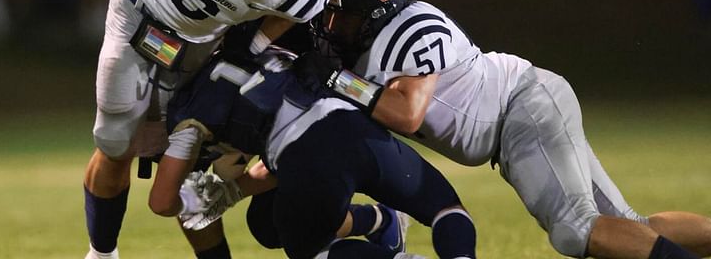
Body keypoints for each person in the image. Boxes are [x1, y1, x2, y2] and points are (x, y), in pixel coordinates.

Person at [293, 0, 711, 259]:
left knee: (576, 231)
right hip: (520, 115)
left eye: (342, 14)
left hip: (523, 107)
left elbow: (407, 114)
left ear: (374, 13)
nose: (331, 24)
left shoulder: (413, 27)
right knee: (629, 228)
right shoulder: (357, 43)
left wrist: (335, 79)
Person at [84, 0, 334, 257]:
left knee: (190, 168)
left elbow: (291, 17)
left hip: (199, 50)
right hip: (136, 15)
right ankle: (101, 254)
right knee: (115, 139)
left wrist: (247, 50)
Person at [148, 45, 478, 259]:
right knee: (444, 206)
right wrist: (233, 190)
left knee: (310, 249)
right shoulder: (256, 40)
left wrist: (204, 198)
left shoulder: (189, 109)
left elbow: (162, 202)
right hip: (357, 125)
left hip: (304, 153)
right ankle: (384, 221)